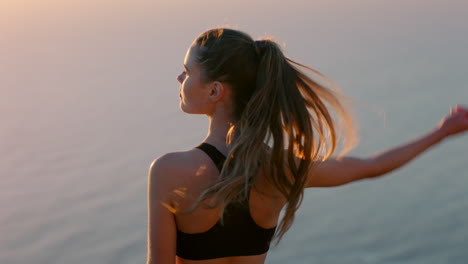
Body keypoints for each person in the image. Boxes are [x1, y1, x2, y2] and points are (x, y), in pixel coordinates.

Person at [146, 28, 468, 264]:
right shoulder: (281, 168)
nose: (179, 79)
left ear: (215, 90)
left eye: (187, 72)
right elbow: (371, 167)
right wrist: (442, 131)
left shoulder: (169, 171)